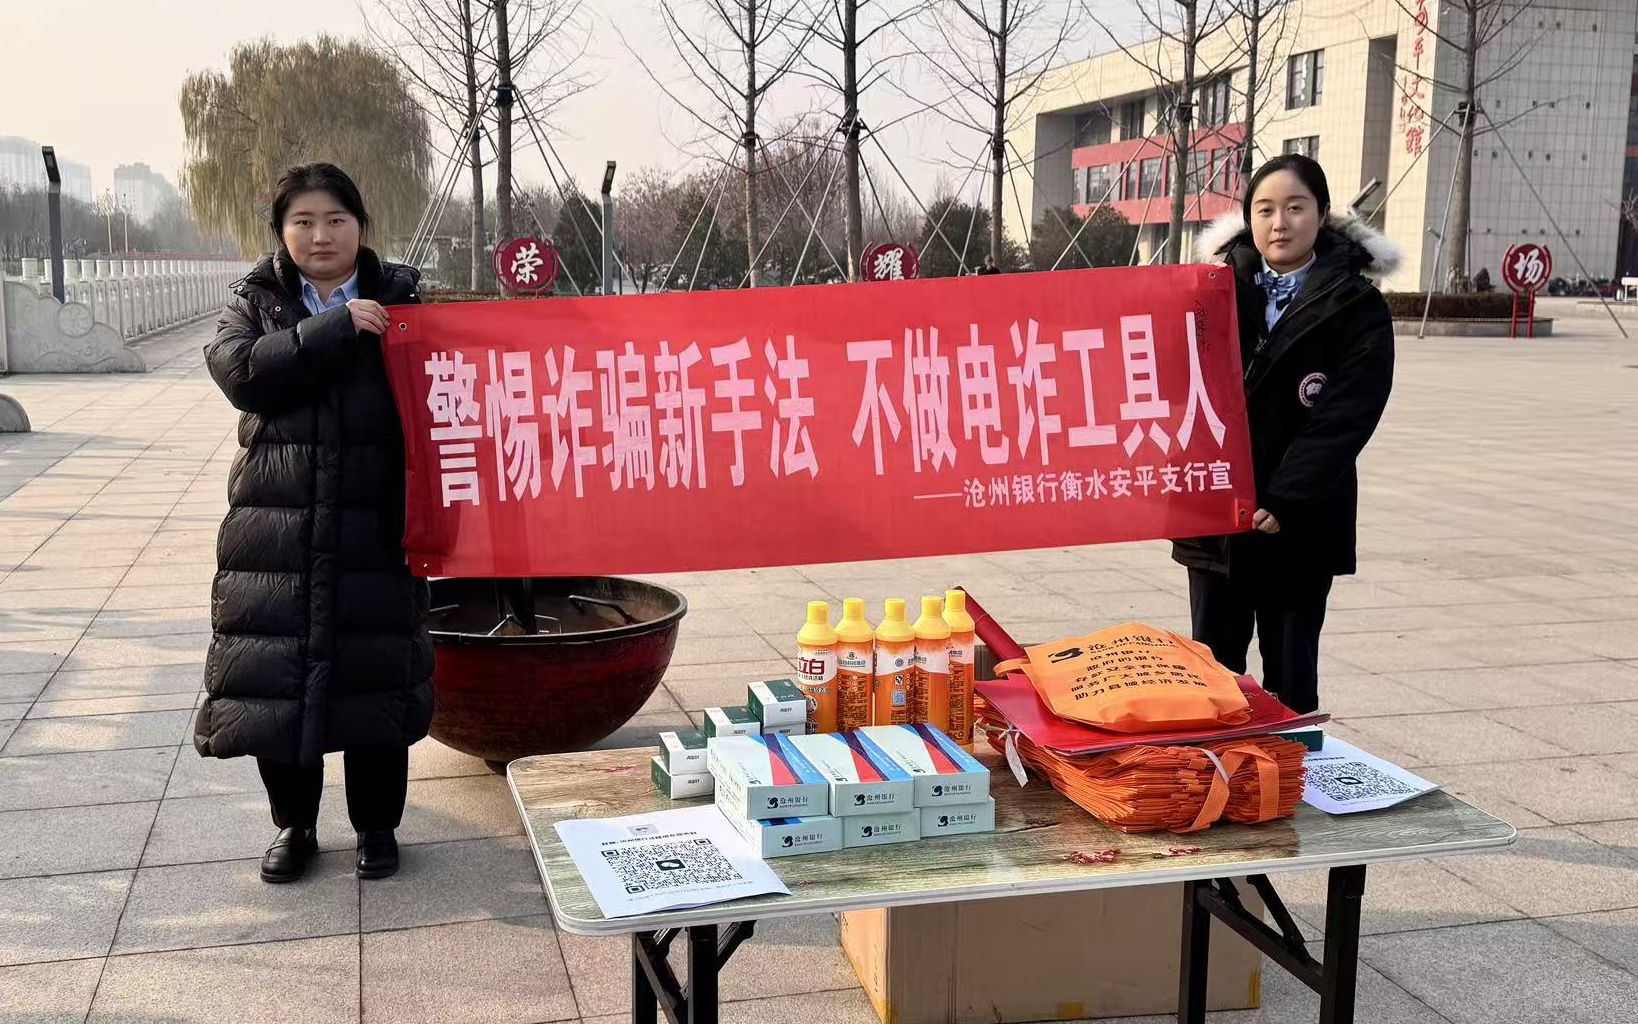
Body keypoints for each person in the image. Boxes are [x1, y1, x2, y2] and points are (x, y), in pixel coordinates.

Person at [193, 163, 433, 884]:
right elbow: (240, 374)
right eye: (303, 221)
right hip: (278, 524)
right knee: (277, 680)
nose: (320, 234)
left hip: (377, 521)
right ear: (281, 231)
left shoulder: (403, 298)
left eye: (335, 219)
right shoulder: (255, 301)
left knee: (375, 678)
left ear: (361, 226)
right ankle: (293, 826)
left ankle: (377, 828)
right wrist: (335, 328)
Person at [1173, 154, 1397, 714]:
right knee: (1214, 680)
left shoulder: (1356, 304)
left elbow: (1347, 414)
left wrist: (1287, 497)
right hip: (1217, 519)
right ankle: (1223, 768)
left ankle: (1294, 766)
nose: (1280, 223)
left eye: (1295, 208)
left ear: (1322, 213)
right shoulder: (1206, 293)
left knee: (1291, 681)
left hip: (1299, 523)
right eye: (1265, 210)